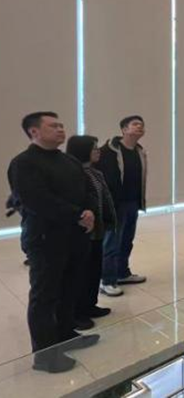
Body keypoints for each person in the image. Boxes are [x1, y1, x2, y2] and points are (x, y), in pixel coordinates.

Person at [8, 112, 99, 373]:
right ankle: (45, 356)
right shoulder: (23, 163)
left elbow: (87, 190)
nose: (60, 129)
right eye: (53, 126)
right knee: (45, 296)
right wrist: (78, 214)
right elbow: (37, 201)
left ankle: (66, 334)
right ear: (34, 132)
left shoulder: (69, 160)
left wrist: (89, 211)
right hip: (45, 239)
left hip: (75, 236)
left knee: (69, 288)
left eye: (61, 125)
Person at [66, 135, 117, 329]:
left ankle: (89, 305)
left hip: (98, 230)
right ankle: (76, 313)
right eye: (94, 148)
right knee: (80, 273)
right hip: (82, 232)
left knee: (94, 270)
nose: (98, 151)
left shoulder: (96, 172)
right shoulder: (73, 174)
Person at [97, 115, 148, 297]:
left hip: (132, 202)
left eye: (142, 125)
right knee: (111, 243)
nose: (140, 127)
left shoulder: (139, 151)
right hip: (114, 205)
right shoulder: (108, 151)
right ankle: (107, 280)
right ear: (124, 129)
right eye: (135, 124)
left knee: (127, 240)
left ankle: (122, 273)